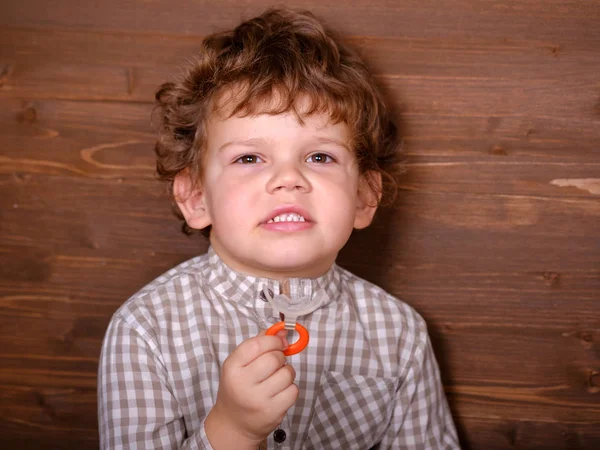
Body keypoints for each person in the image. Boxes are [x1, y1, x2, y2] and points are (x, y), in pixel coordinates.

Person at [98, 7, 459, 450]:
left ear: (365, 196)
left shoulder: (400, 334)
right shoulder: (145, 329)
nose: (289, 178)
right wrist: (232, 430)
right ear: (196, 197)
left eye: (319, 157)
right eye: (249, 158)